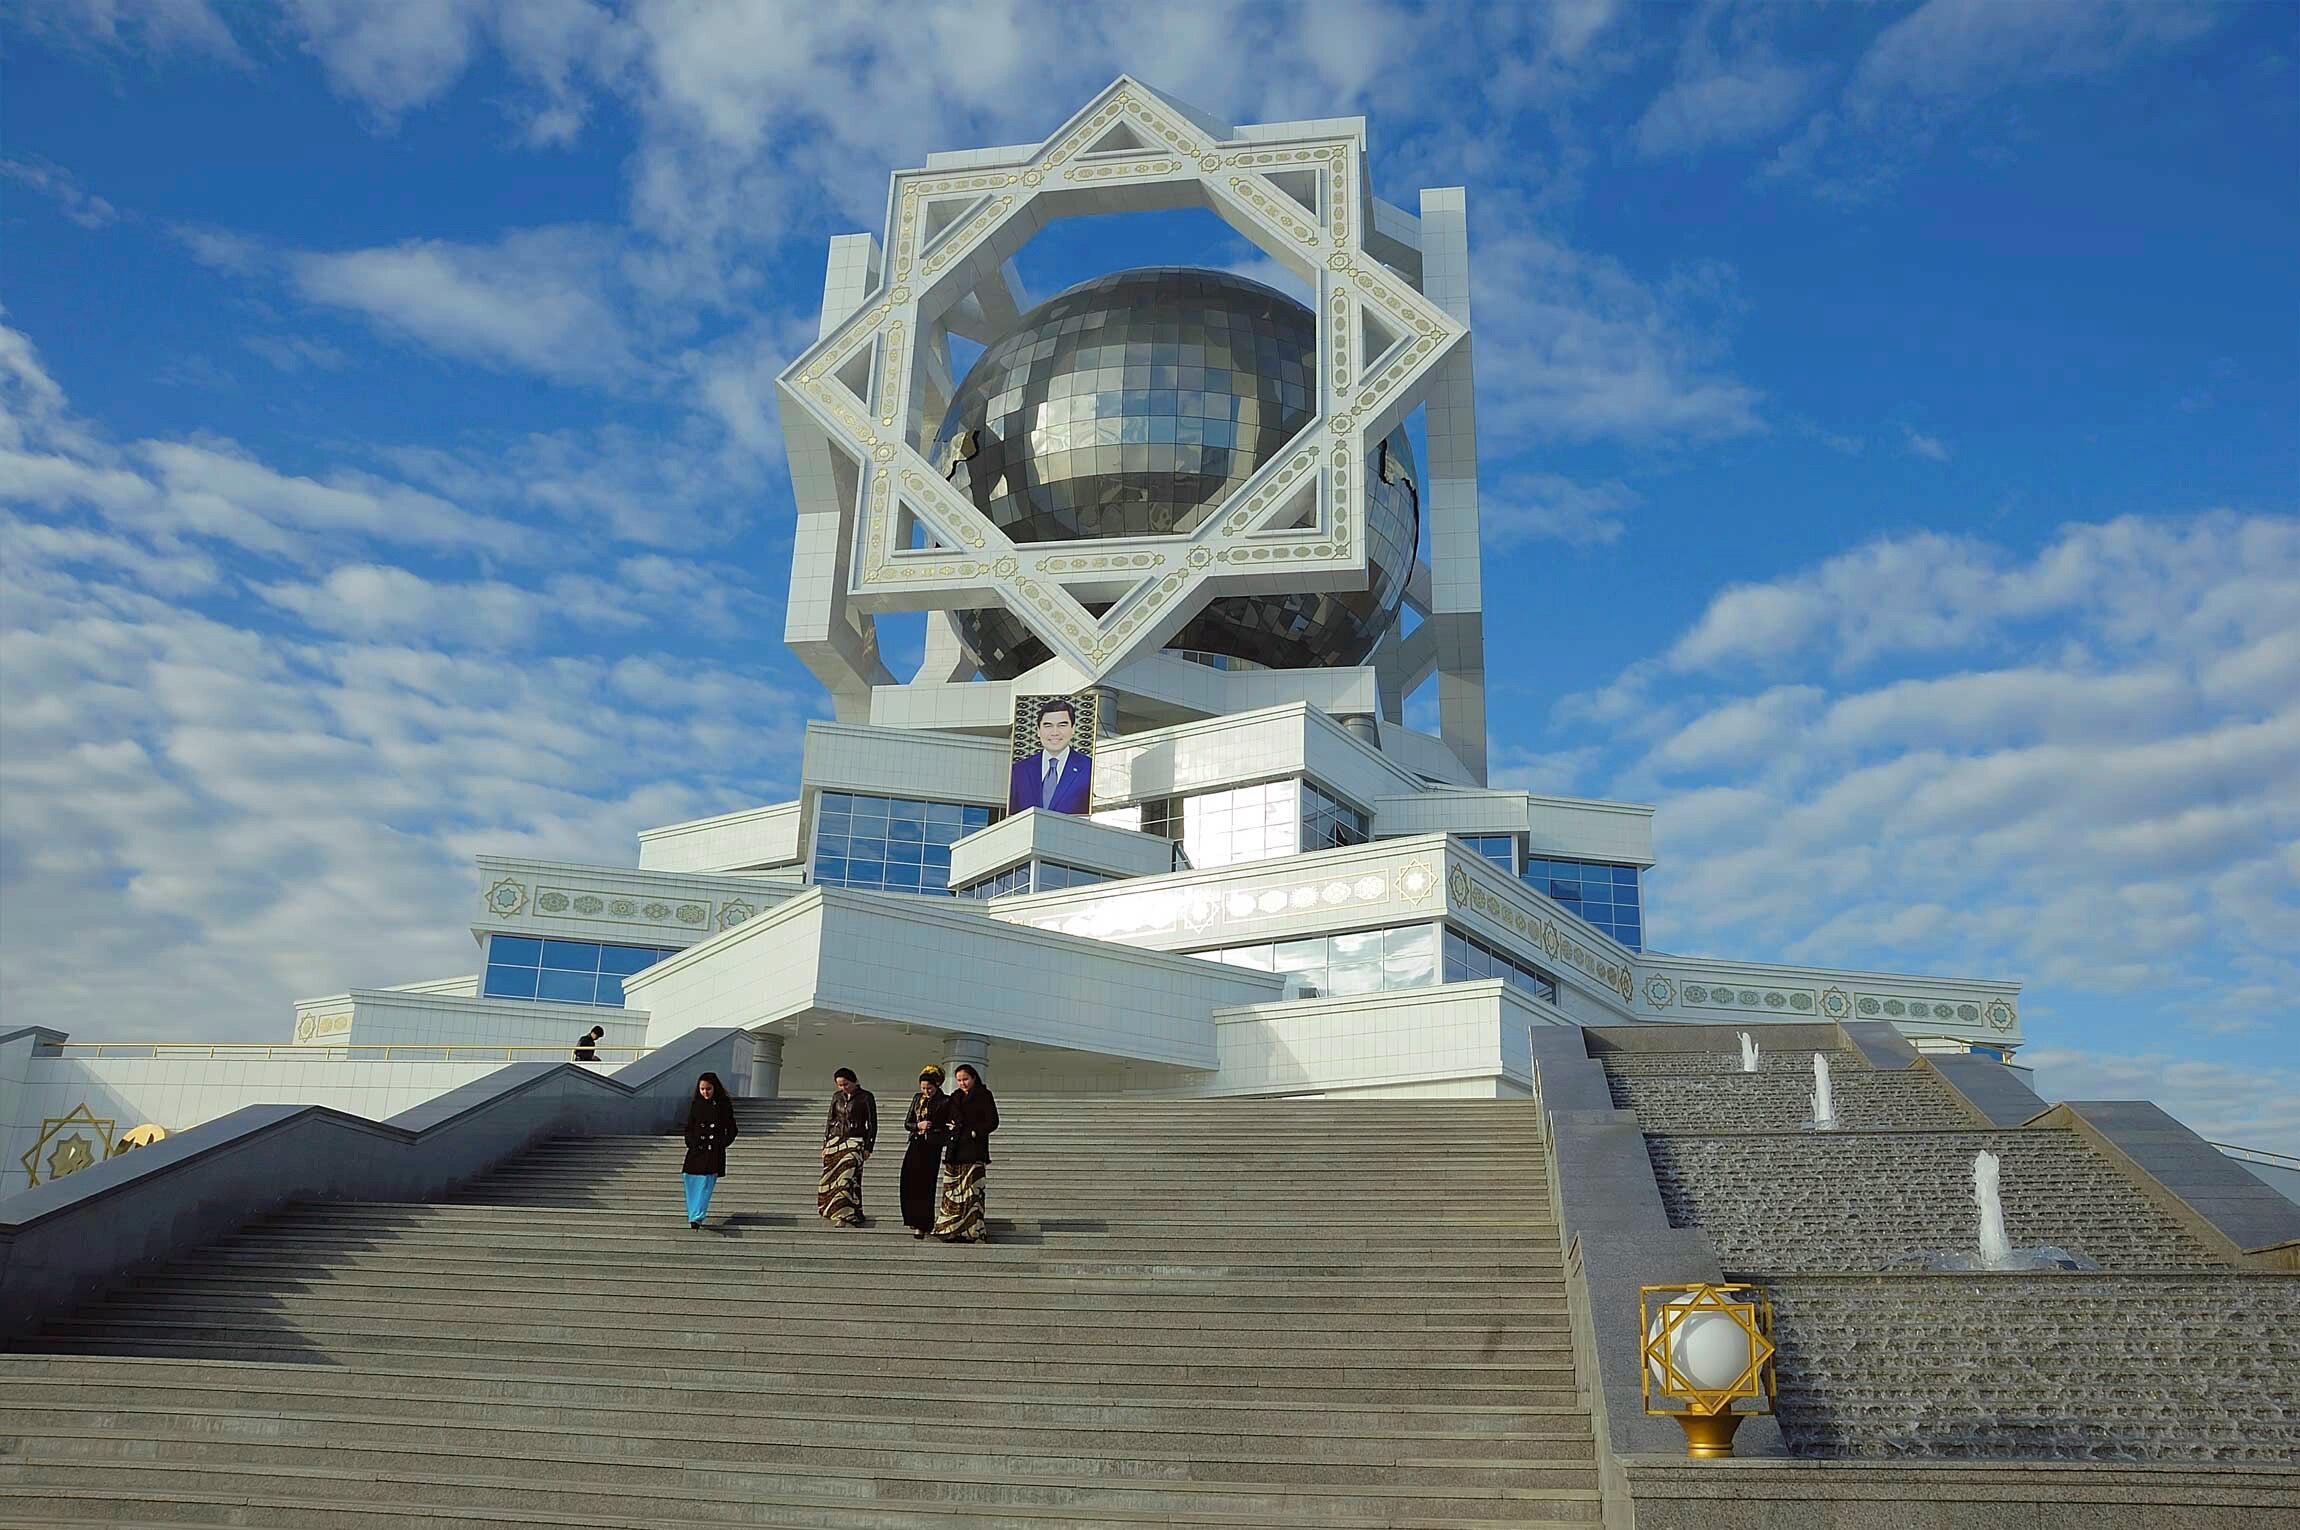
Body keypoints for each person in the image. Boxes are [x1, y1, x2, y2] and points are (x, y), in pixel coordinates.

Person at [933, 1063, 999, 1244]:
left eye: (965, 1079)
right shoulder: (955, 1097)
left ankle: (973, 1230)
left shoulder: (984, 1096)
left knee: (972, 1190)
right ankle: (950, 1228)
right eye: (959, 1080)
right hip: (955, 1148)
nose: (962, 1083)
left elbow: (993, 1121)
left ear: (974, 1078)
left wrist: (974, 1131)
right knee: (953, 1191)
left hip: (974, 1148)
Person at [1007, 698, 1092, 815]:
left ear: (1073, 729)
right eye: (1048, 726)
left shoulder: (1090, 769)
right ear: (1038, 730)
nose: (1055, 732)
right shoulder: (1019, 771)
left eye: (1062, 725)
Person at [817, 1067, 877, 1227]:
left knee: (847, 1178)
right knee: (831, 1178)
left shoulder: (866, 1097)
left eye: (846, 1084)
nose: (843, 1087)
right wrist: (825, 1145)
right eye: (840, 1085)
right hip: (835, 1140)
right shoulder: (837, 1097)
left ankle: (844, 1215)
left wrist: (868, 1147)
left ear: (854, 1081)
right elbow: (830, 1121)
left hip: (855, 1140)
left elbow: (872, 1124)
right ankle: (835, 1211)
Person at [901, 1065, 954, 1239]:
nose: (926, 1091)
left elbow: (948, 1126)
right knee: (909, 1181)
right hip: (916, 1142)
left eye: (929, 1088)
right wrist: (918, 1126)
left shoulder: (945, 1101)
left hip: (932, 1146)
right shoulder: (917, 1099)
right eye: (923, 1088)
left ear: (937, 1085)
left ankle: (923, 1223)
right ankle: (911, 1218)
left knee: (925, 1184)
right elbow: (907, 1122)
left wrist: (936, 1132)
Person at [681, 1072, 737, 1229]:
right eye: (702, 1089)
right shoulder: (696, 1104)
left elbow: (732, 1129)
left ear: (715, 1088)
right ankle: (693, 1214)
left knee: (706, 1183)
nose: (705, 1092)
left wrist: (721, 1144)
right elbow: (689, 1126)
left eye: (708, 1089)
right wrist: (690, 1142)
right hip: (695, 1150)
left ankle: (697, 1216)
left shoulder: (723, 1105)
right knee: (689, 1178)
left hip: (713, 1151)